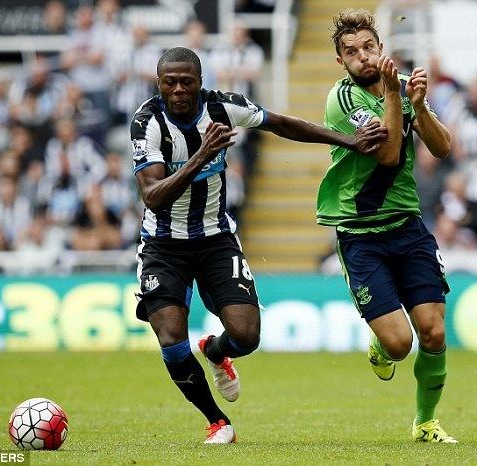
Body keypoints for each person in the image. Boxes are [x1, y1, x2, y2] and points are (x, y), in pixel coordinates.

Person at [131, 46, 386, 444]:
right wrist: (202, 156)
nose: (178, 90)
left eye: (187, 82)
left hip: (217, 240)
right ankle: (218, 422)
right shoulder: (146, 123)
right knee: (170, 338)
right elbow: (152, 195)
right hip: (163, 246)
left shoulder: (224, 107)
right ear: (159, 83)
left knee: (246, 337)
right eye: (170, 82)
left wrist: (348, 140)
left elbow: (282, 124)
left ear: (200, 83)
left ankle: (216, 351)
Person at [316, 9, 457, 443]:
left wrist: (418, 106)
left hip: (407, 226)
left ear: (380, 49)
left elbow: (444, 147)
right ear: (341, 62)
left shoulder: (400, 90)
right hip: (360, 235)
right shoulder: (341, 101)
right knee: (400, 344)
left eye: (368, 48)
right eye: (351, 52)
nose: (362, 57)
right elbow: (390, 154)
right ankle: (381, 342)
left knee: (433, 331)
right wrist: (398, 97)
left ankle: (426, 422)